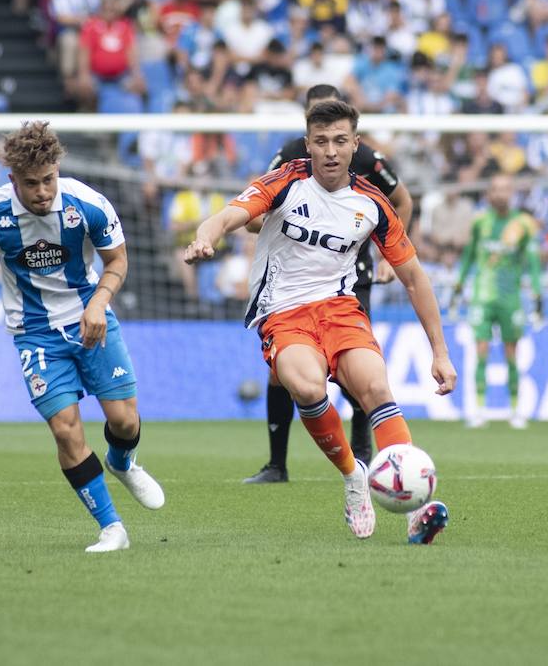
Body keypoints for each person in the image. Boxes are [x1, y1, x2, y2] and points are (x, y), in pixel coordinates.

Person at [184, 99, 454, 544]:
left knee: (375, 387)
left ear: (355, 145)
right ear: (307, 145)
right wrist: (205, 237)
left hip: (340, 309)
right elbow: (231, 214)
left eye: (340, 141)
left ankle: (416, 509)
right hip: (284, 312)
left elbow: (413, 278)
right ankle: (353, 477)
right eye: (322, 141)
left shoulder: (372, 204)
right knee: (307, 387)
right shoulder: (285, 183)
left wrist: (439, 353)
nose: (331, 151)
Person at [0, 122, 164, 553]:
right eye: (31, 183)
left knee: (125, 421)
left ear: (57, 170)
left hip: (91, 320)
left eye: (48, 180)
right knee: (65, 430)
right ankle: (111, 527)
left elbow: (117, 260)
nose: (42, 191)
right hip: (35, 333)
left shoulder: (87, 204)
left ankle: (122, 462)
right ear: (13, 181)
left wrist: (98, 302)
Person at [244, 84, 415, 485]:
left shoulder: (369, 159)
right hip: (294, 289)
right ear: (307, 128)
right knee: (286, 376)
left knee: (362, 373)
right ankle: (277, 463)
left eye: (339, 136)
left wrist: (395, 256)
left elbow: (402, 201)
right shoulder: (289, 157)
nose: (330, 148)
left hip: (352, 279)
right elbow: (256, 208)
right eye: (319, 133)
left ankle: (365, 456)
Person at [449, 175, 544, 430]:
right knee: (480, 352)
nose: (501, 194)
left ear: (512, 193)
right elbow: (468, 257)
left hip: (510, 298)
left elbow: (534, 264)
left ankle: (515, 409)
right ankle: (479, 408)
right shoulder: (480, 221)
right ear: (489, 194)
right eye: (496, 189)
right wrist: (457, 291)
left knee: (512, 355)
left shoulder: (523, 224)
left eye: (505, 189)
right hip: (482, 296)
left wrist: (537, 296)